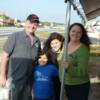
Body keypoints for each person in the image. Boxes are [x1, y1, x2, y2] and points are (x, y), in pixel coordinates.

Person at [0, 14, 41, 100]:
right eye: (31, 22)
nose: (32, 26)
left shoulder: (37, 41)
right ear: (26, 23)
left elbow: (37, 60)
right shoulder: (15, 36)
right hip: (14, 81)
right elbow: (4, 56)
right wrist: (2, 75)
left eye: (35, 24)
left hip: (29, 82)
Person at [58, 23, 91, 100]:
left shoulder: (83, 50)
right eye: (73, 31)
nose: (75, 34)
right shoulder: (65, 44)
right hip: (66, 83)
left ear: (82, 34)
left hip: (79, 86)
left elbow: (82, 71)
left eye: (79, 32)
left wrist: (69, 67)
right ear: (69, 32)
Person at [43, 32, 64, 100]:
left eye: (56, 43)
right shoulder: (47, 53)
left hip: (61, 80)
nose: (54, 45)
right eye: (52, 43)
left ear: (61, 42)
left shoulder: (65, 53)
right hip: (50, 81)